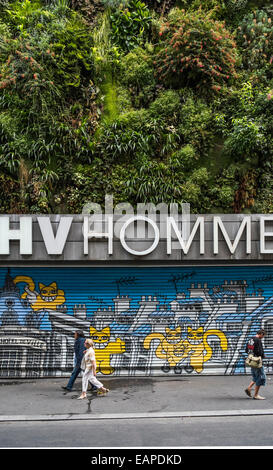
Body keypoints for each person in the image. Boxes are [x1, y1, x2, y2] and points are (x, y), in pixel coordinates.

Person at [245, 329, 267, 400]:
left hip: (251, 360)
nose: (262, 337)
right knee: (261, 377)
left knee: (255, 376)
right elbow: (259, 351)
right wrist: (263, 355)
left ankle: (249, 388)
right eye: (263, 336)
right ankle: (256, 395)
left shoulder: (250, 339)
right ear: (261, 334)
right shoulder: (258, 340)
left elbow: (246, 350)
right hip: (257, 361)